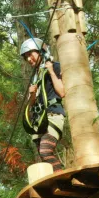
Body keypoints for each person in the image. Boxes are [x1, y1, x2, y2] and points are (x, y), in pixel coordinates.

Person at [20, 38, 66, 172]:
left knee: (46, 151)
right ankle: (57, 179)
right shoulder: (35, 77)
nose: (29, 59)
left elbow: (62, 92)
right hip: (39, 119)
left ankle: (62, 179)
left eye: (30, 54)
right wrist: (32, 94)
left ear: (41, 51)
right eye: (26, 57)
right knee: (43, 154)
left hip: (53, 113)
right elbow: (32, 103)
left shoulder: (55, 66)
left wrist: (51, 71)